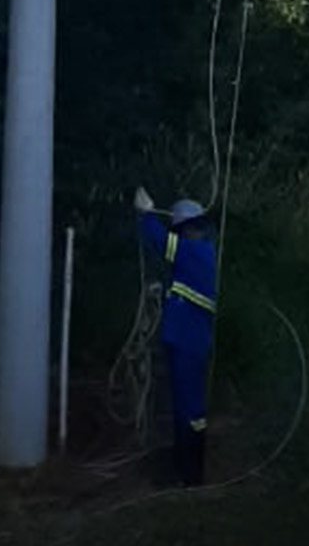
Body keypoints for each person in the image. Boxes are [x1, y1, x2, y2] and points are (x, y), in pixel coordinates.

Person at [134, 185, 218, 486]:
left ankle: (190, 473)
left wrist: (145, 214)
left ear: (186, 229)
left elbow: (160, 241)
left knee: (189, 405)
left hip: (188, 341)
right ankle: (184, 468)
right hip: (187, 339)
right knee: (185, 404)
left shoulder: (193, 251)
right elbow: (185, 290)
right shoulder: (199, 255)